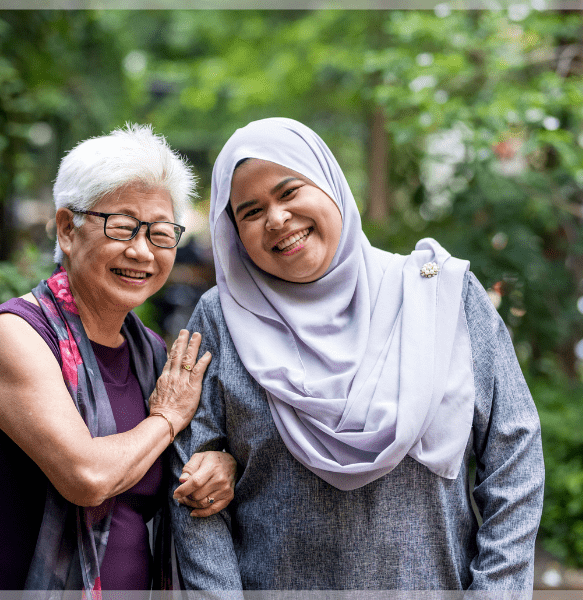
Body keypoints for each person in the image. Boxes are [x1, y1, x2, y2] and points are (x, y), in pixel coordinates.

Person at [170, 117, 545, 590]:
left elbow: (515, 459)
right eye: (250, 211)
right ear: (235, 234)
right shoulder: (221, 320)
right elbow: (191, 484)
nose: (277, 219)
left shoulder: (439, 296)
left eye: (289, 192)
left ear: (330, 185)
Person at [0, 124, 237, 594]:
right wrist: (167, 419)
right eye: (122, 226)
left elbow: (163, 473)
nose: (142, 251)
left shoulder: (151, 354)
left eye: (161, 233)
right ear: (67, 228)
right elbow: (88, 475)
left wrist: (218, 468)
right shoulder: (16, 335)